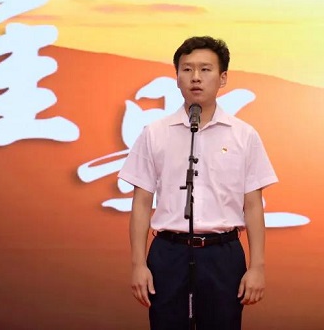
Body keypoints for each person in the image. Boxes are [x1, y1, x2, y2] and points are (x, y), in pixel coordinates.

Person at [119, 36, 278, 330]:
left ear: (223, 78)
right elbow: (141, 203)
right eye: (187, 69)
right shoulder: (155, 133)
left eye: (205, 69)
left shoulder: (244, 135)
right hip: (169, 252)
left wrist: (257, 267)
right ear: (177, 77)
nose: (195, 77)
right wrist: (138, 264)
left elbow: (253, 205)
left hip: (223, 254)